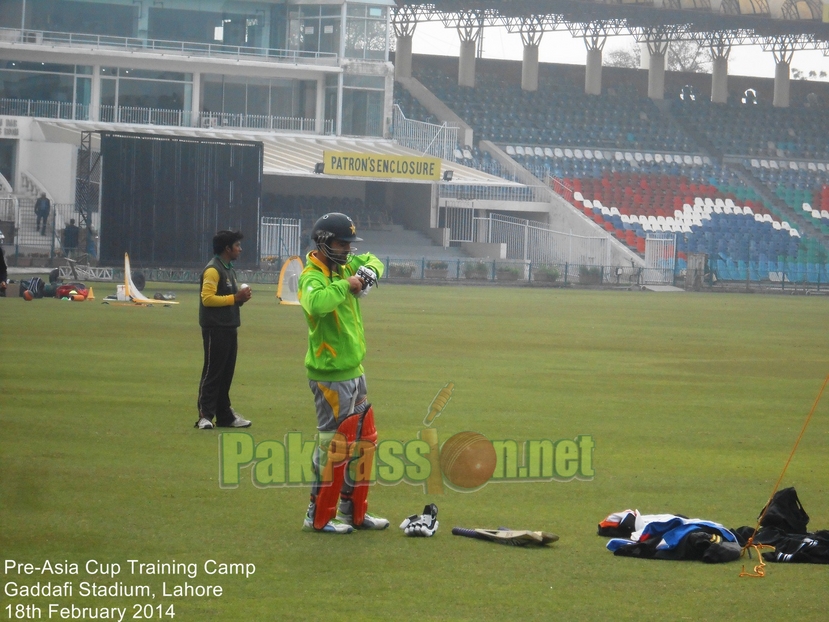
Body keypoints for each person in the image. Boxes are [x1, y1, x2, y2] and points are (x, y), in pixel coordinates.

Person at [299, 212, 386, 534]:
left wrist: (366, 273)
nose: (348, 250)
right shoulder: (312, 275)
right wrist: (346, 284)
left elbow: (375, 260)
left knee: (363, 442)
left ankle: (353, 511)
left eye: (350, 244)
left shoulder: (346, 265)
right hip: (330, 375)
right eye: (341, 243)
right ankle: (316, 514)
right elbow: (316, 303)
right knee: (333, 445)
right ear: (323, 243)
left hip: (354, 370)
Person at [195, 230, 253, 430]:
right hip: (215, 328)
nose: (240, 249)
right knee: (213, 372)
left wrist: (241, 299)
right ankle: (205, 415)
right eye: (237, 245)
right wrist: (235, 298)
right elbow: (207, 299)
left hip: (229, 326)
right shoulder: (213, 270)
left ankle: (225, 415)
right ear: (227, 249)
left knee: (226, 373)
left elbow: (229, 299)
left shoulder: (229, 269)